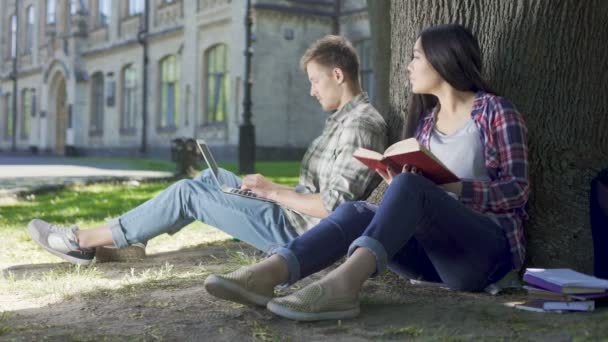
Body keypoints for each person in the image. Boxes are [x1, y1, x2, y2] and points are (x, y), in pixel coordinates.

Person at [204, 24, 530, 321]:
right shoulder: (427, 124)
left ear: (443, 57)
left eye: (416, 57)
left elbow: (517, 191)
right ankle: (272, 272)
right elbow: (422, 195)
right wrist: (399, 185)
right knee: (355, 210)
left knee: (410, 185)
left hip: (485, 254)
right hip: (436, 262)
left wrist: (449, 186)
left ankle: (343, 286)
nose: (409, 66)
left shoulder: (494, 111)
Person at [28, 35, 388, 266]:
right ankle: (128, 241)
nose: (312, 91)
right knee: (210, 178)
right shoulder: (343, 121)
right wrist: (273, 192)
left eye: (314, 81)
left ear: (338, 76)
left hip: (298, 235)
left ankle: (83, 242)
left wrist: (272, 191)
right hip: (291, 216)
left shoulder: (360, 125)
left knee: (188, 192)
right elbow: (321, 195)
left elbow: (333, 208)